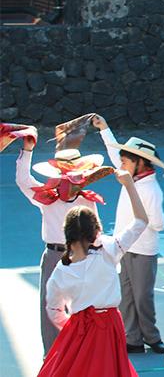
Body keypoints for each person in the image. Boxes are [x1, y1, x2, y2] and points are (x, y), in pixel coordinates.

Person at [39, 170, 149, 377]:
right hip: (109, 327)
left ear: (66, 233)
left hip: (79, 329)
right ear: (96, 230)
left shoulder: (60, 271)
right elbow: (141, 221)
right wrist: (129, 185)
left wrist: (73, 327)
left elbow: (54, 310)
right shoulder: (109, 249)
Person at [14, 134, 103, 353]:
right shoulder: (47, 197)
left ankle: (79, 353)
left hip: (81, 257)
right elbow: (23, 181)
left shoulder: (86, 199)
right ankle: (53, 354)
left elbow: (96, 232)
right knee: (50, 306)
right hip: (55, 256)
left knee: (82, 306)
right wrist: (27, 151)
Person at [96, 115, 164, 354]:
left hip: (143, 250)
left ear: (140, 163)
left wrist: (141, 220)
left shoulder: (150, 189)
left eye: (126, 161)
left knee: (142, 297)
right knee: (125, 295)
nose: (121, 165)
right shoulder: (132, 177)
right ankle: (132, 337)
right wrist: (104, 129)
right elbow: (114, 154)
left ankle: (151, 336)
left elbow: (159, 224)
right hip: (124, 247)